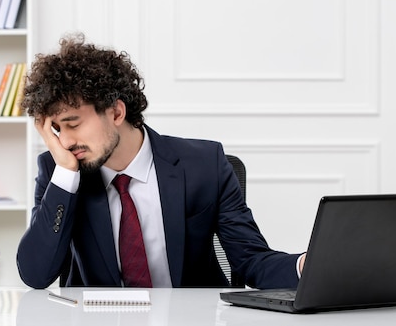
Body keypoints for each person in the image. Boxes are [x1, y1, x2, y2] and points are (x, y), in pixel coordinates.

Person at [16, 33, 306, 289]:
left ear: (116, 113)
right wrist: (66, 175)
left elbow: (251, 261)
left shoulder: (205, 165)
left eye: (73, 124)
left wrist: (307, 266)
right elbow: (36, 275)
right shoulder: (60, 171)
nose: (64, 142)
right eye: (56, 130)